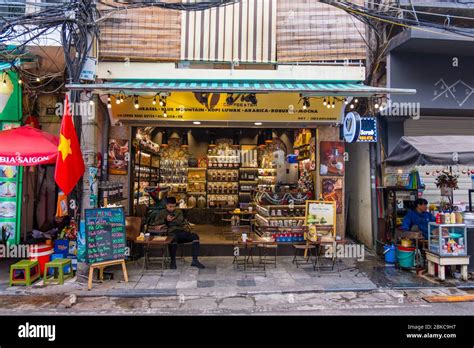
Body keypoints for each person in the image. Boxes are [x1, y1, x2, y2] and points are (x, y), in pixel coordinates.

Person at [149, 197, 205, 269]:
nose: (172, 208)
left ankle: (195, 260)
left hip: (181, 231)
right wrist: (166, 219)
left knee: (195, 236)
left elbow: (180, 222)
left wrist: (165, 223)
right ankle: (173, 261)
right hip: (170, 233)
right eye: (170, 206)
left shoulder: (178, 211)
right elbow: (155, 223)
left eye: (174, 206)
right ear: (166, 205)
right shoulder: (162, 213)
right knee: (173, 238)